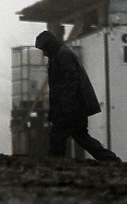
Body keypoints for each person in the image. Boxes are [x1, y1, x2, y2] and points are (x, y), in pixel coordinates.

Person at [34, 30, 120, 162]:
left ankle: (55, 162)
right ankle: (111, 160)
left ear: (49, 46)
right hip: (76, 106)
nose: (43, 53)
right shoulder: (60, 54)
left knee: (57, 136)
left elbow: (71, 79)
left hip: (71, 107)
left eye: (44, 49)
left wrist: (65, 104)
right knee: (82, 137)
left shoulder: (62, 55)